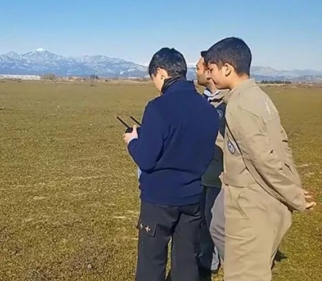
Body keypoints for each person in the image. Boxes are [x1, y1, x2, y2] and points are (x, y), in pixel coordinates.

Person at [204, 37, 316, 280]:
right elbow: (282, 145)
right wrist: (293, 184)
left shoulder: (239, 106)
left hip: (251, 206)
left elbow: (262, 159)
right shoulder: (258, 98)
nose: (209, 76)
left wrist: (295, 195)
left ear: (227, 68)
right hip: (260, 204)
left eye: (211, 69)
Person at [125, 47, 219, 281]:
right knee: (186, 261)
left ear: (161, 73)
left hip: (159, 199)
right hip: (192, 197)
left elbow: (146, 159)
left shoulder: (157, 108)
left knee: (151, 261)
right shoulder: (208, 110)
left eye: (153, 79)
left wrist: (132, 141)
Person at [195, 51, 226, 274]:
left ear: (210, 71)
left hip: (220, 175)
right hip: (202, 173)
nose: (195, 72)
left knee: (217, 223)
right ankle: (208, 262)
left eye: (198, 68)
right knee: (204, 220)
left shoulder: (228, 104)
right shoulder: (203, 100)